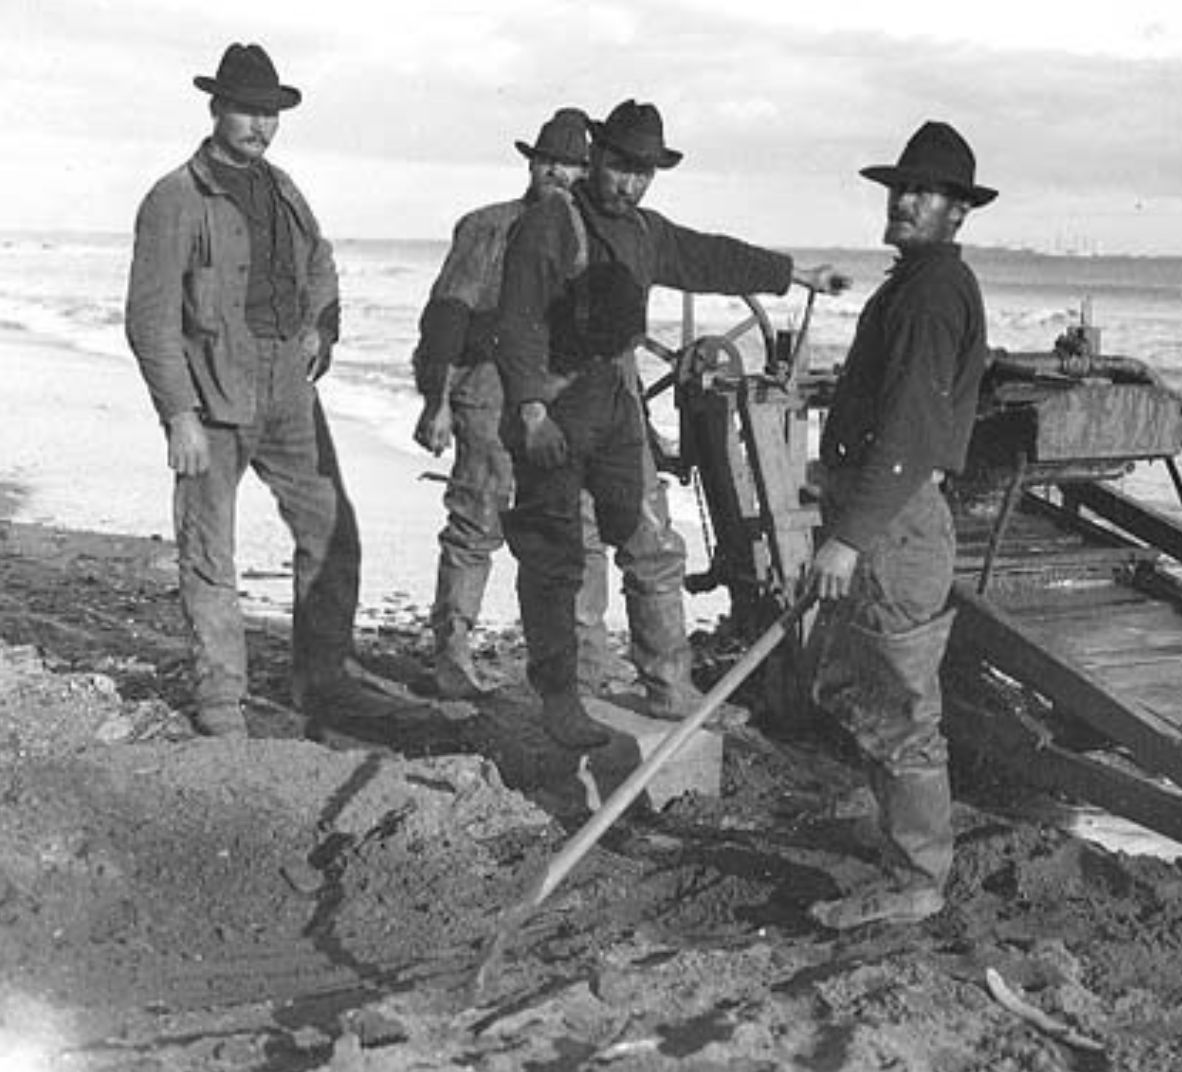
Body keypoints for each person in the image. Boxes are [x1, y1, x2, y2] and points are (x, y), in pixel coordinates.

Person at [494, 99, 846, 750]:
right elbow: (514, 323)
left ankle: (669, 685)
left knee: (652, 544)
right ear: (597, 156)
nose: (630, 183)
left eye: (644, 173)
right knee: (555, 558)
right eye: (621, 167)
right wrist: (530, 411)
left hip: (614, 400)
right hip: (553, 401)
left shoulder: (647, 232)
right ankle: (561, 698)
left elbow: (709, 260)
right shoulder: (548, 224)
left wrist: (794, 273)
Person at [125, 43, 362, 737]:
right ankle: (222, 706)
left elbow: (320, 261)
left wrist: (321, 327)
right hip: (211, 399)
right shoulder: (175, 198)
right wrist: (178, 414)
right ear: (216, 109)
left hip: (290, 392)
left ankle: (322, 686)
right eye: (247, 111)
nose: (260, 125)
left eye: (270, 113)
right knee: (208, 552)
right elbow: (148, 318)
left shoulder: (283, 186)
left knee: (332, 533)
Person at [805, 121, 996, 929]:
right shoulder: (917, 283)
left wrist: (850, 538)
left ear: (958, 211)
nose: (905, 201)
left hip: (897, 524)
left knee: (902, 706)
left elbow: (913, 431)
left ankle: (918, 877)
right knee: (869, 689)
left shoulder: (929, 294)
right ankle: (902, 849)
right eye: (900, 188)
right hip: (884, 515)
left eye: (924, 193)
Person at [410, 108, 625, 701]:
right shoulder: (488, 228)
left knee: (580, 531)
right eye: (549, 160)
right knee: (477, 522)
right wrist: (437, 402)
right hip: (489, 393)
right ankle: (452, 655)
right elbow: (447, 317)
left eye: (574, 163)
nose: (559, 172)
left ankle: (583, 669)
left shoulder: (597, 237)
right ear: (532, 164)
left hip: (568, 404)